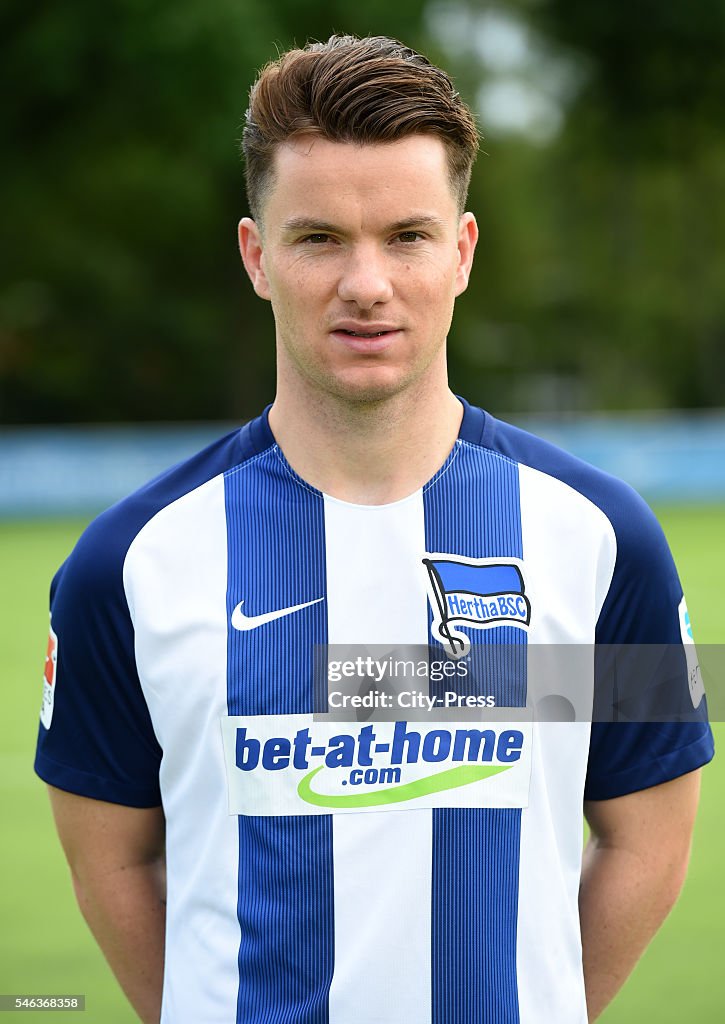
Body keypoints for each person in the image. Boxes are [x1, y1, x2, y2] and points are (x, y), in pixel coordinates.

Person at [35, 34, 713, 1024]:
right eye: (318, 238)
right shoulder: (125, 566)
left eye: (405, 235)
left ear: (462, 252)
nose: (366, 283)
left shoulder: (604, 537)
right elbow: (115, 862)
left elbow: (650, 838)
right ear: (256, 256)